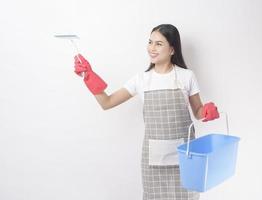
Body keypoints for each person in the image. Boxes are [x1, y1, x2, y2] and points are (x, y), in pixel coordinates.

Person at [73, 24, 219, 200]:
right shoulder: (141, 80)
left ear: (172, 49)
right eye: (150, 42)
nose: (152, 48)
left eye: (158, 44)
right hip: (153, 159)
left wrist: (206, 112)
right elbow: (107, 102)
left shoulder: (186, 76)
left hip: (185, 156)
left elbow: (197, 111)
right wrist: (89, 77)